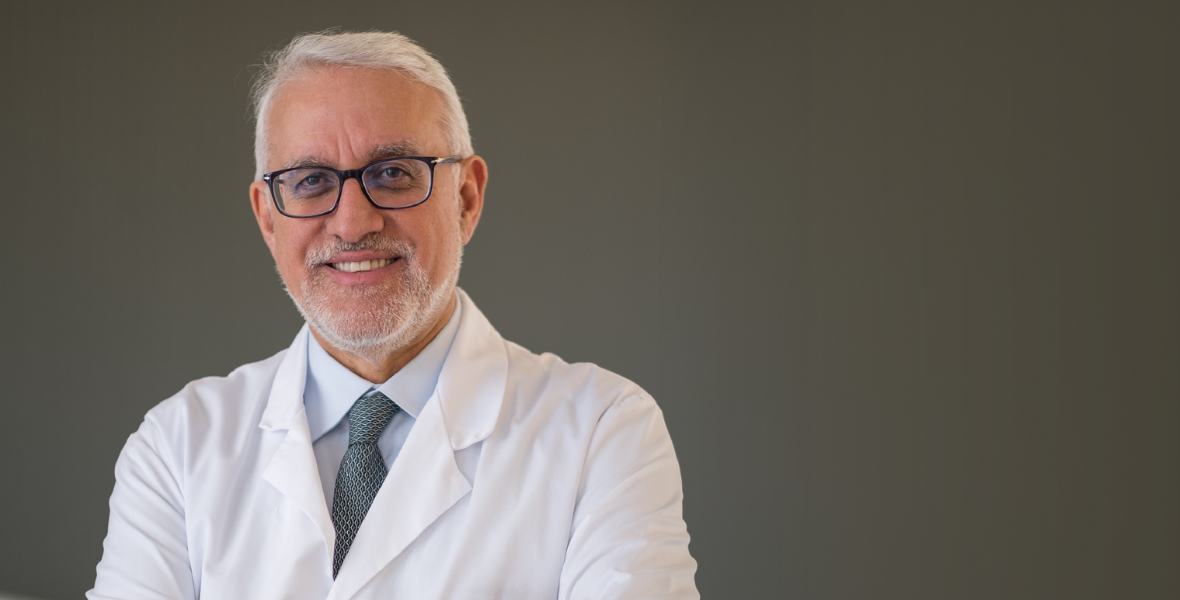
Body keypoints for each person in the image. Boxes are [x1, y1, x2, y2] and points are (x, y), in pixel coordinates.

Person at [88, 30, 698, 599]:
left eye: (393, 173)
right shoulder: (177, 448)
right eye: (311, 181)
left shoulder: (602, 433)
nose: (353, 223)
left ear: (466, 199)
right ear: (268, 219)